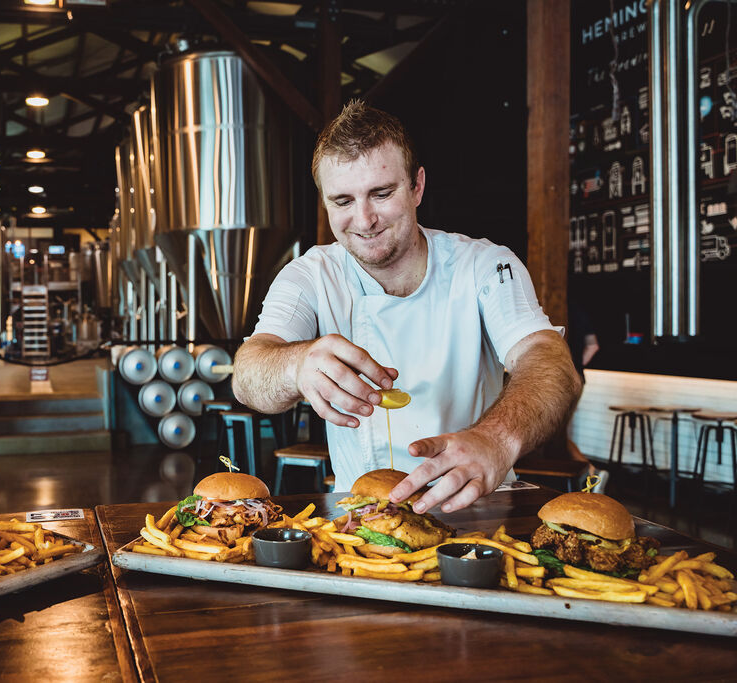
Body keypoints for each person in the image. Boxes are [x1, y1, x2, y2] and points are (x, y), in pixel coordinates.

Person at [232, 101, 581, 514]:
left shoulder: (485, 265)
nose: (364, 220)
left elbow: (550, 362)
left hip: (479, 514)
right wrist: (296, 365)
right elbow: (247, 376)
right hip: (361, 522)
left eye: (381, 194)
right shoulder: (310, 275)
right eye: (342, 201)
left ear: (417, 186)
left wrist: (497, 438)